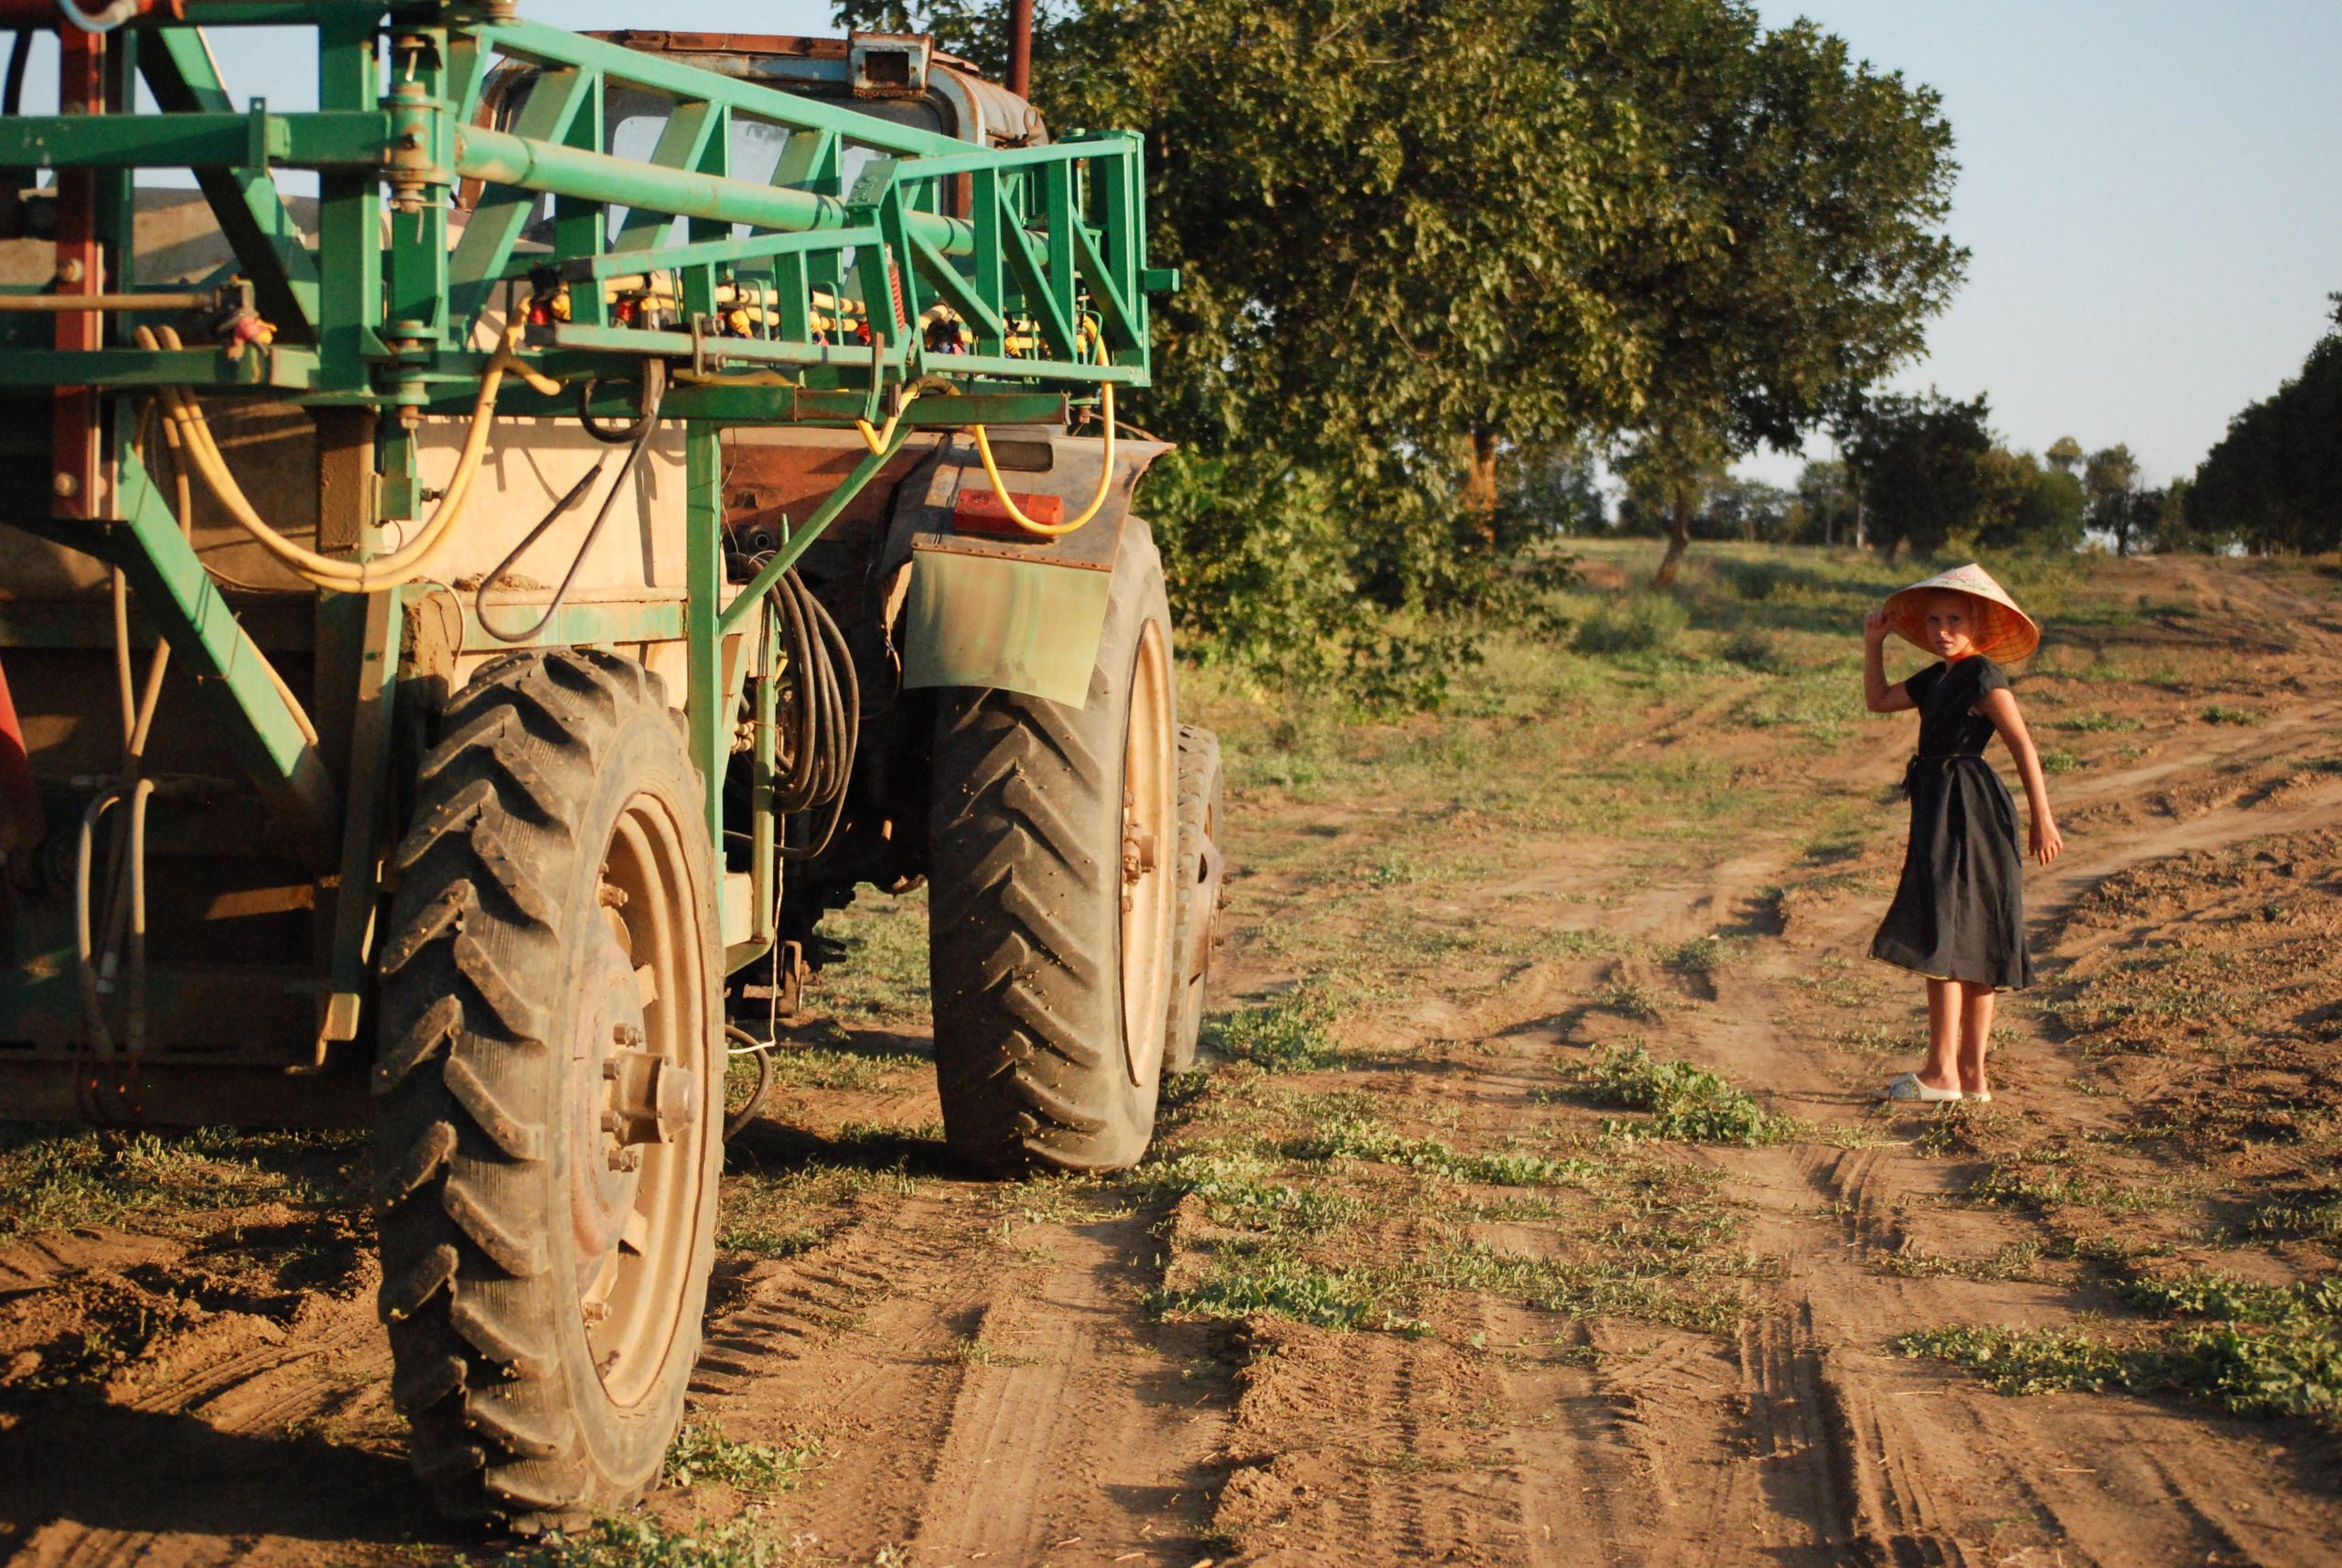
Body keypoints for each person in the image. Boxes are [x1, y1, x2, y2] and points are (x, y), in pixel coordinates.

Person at [1861, 564, 2063, 1103]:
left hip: (1969, 808)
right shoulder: (1936, 677)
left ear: (1980, 625)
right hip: (1938, 804)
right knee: (1955, 933)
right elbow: (1878, 700)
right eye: (1933, 620)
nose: (1942, 630)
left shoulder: (1982, 677)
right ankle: (1968, 1079)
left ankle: (1945, 1074)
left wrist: (2042, 818)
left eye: (1954, 619)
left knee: (1953, 935)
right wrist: (1874, 644)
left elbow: (2022, 746)